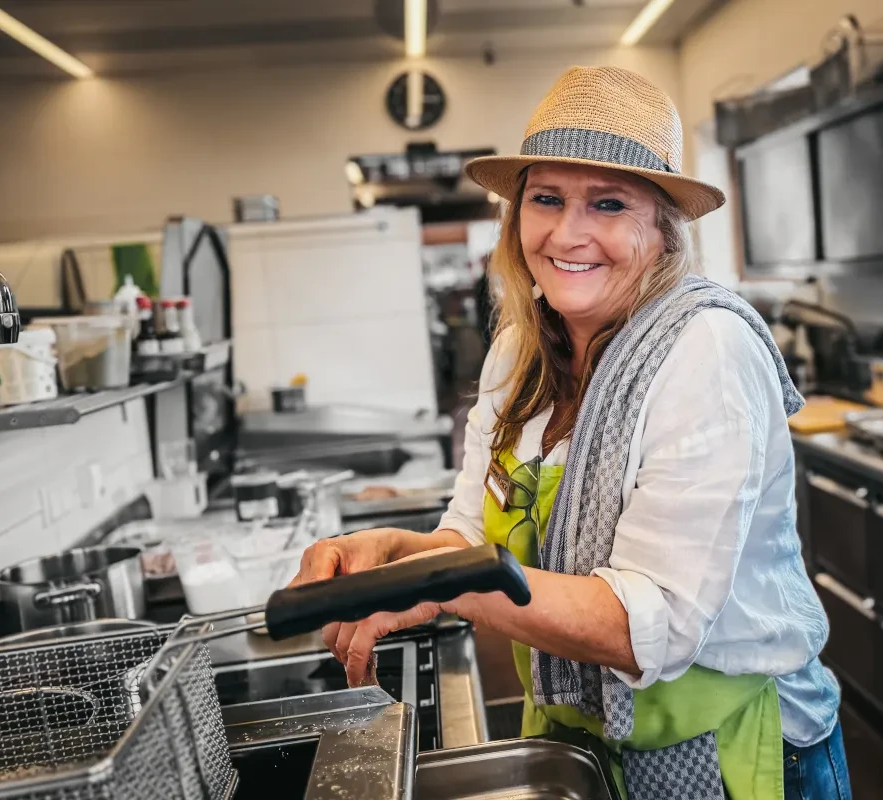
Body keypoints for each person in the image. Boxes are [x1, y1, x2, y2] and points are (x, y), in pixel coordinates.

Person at [292, 66, 849, 799]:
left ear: (662, 226)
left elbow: (649, 624)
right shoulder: (516, 354)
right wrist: (401, 555)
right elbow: (470, 537)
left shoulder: (704, 349)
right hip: (579, 740)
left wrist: (447, 588)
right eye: (546, 199)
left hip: (739, 749)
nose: (567, 233)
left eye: (608, 203)